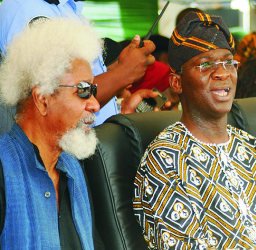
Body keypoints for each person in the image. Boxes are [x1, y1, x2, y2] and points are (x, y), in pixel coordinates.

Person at [133, 12, 256, 249]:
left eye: (228, 62)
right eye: (205, 64)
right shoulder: (166, 159)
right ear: (177, 83)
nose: (222, 73)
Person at [0, 18, 104, 249]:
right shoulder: (3, 167)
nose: (95, 104)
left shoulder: (73, 169)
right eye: (84, 90)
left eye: (93, 90)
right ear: (42, 98)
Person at [0, 0, 157, 125]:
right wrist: (124, 73)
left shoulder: (68, 9)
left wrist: (120, 111)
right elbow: (55, 99)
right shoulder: (30, 8)